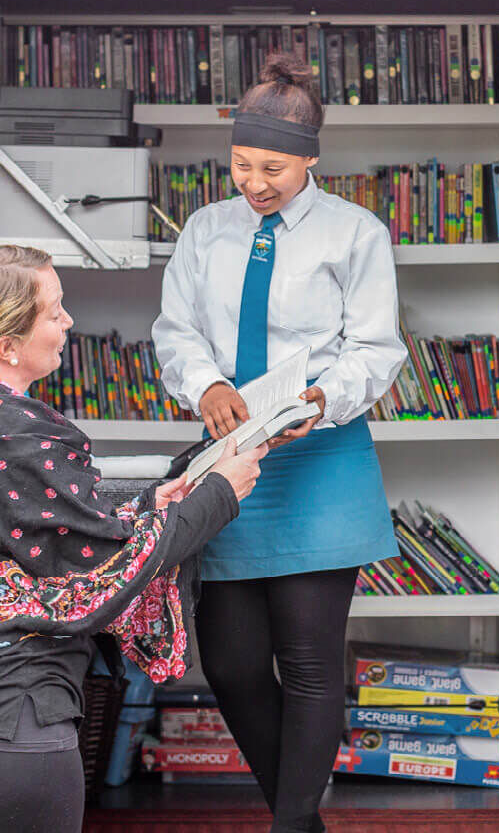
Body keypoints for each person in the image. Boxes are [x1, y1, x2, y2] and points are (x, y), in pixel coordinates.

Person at [152, 52, 406, 833]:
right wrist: (207, 387)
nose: (254, 184)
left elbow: (376, 348)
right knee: (228, 664)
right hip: (231, 459)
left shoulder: (354, 233)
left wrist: (325, 397)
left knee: (308, 662)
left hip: (320, 456)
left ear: (310, 161)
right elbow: (175, 331)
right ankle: (303, 821)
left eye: (273, 169)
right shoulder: (205, 230)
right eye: (240, 166)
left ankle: (290, 824)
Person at [0, 244, 266, 833]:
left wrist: (150, 500)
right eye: (54, 311)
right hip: (19, 717)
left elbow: (45, 527)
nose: (69, 322)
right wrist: (218, 493)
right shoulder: (25, 437)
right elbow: (108, 567)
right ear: (7, 345)